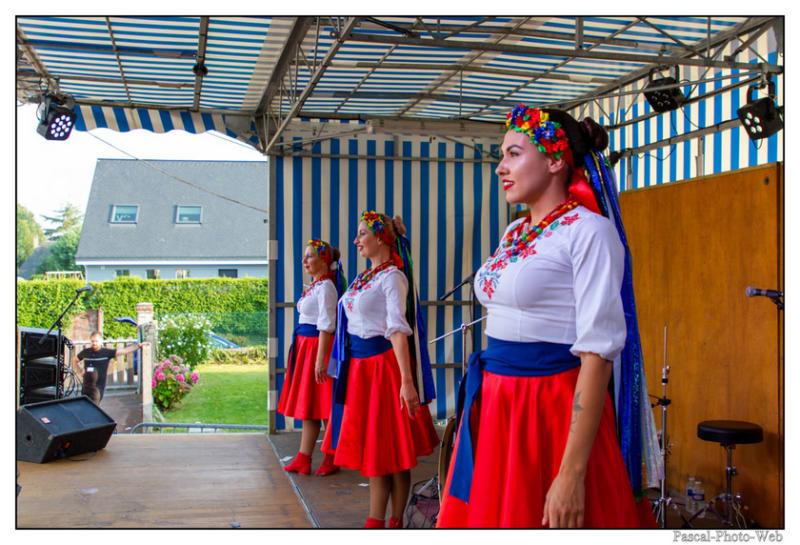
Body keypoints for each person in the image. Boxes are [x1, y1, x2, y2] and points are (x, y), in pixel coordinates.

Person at [436, 105, 660, 528]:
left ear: (556, 160)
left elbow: (598, 355)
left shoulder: (590, 232)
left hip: (550, 409)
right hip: (497, 403)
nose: (501, 167)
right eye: (501, 155)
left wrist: (571, 473)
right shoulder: (515, 232)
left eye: (514, 154)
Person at [322, 212, 439, 529]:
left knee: (392, 449)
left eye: (362, 233)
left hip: (384, 370)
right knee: (377, 448)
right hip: (360, 370)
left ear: (381, 238)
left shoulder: (392, 278)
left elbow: (398, 330)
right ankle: (378, 520)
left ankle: (388, 521)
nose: (356, 240)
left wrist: (407, 382)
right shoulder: (364, 278)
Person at [278, 239, 343, 476]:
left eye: (310, 256)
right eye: (305, 256)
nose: (304, 260)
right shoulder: (316, 286)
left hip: (317, 348)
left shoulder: (326, 287)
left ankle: (332, 456)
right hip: (306, 348)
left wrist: (320, 359)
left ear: (324, 260)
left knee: (325, 405)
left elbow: (327, 324)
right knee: (310, 405)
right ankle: (304, 457)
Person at [74, 331, 143, 404]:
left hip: (97, 388)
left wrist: (138, 346)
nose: (94, 343)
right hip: (85, 388)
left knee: (94, 406)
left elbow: (124, 351)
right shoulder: (85, 352)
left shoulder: (106, 352)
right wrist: (79, 371)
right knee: (84, 407)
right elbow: (74, 360)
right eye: (92, 341)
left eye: (96, 341)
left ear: (101, 341)